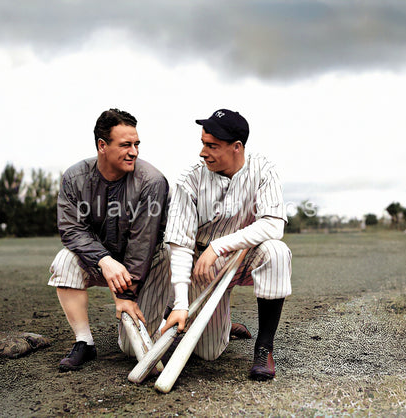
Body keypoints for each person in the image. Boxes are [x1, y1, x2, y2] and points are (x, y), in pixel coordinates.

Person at [161, 109, 292, 380]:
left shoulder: (263, 169)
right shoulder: (190, 179)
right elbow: (180, 244)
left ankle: (264, 348)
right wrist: (182, 303)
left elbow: (273, 225)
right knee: (208, 353)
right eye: (202, 143)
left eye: (212, 146)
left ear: (237, 147)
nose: (202, 152)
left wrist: (218, 246)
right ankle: (222, 324)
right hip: (203, 263)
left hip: (243, 257)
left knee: (277, 252)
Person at [48, 108, 170, 371]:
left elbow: (143, 244)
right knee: (64, 261)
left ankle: (166, 316)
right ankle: (84, 342)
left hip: (145, 265)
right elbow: (71, 229)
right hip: (102, 261)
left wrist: (125, 295)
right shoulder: (74, 177)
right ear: (102, 145)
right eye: (125, 145)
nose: (134, 152)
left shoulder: (152, 181)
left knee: (129, 348)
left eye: (136, 144)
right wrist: (104, 259)